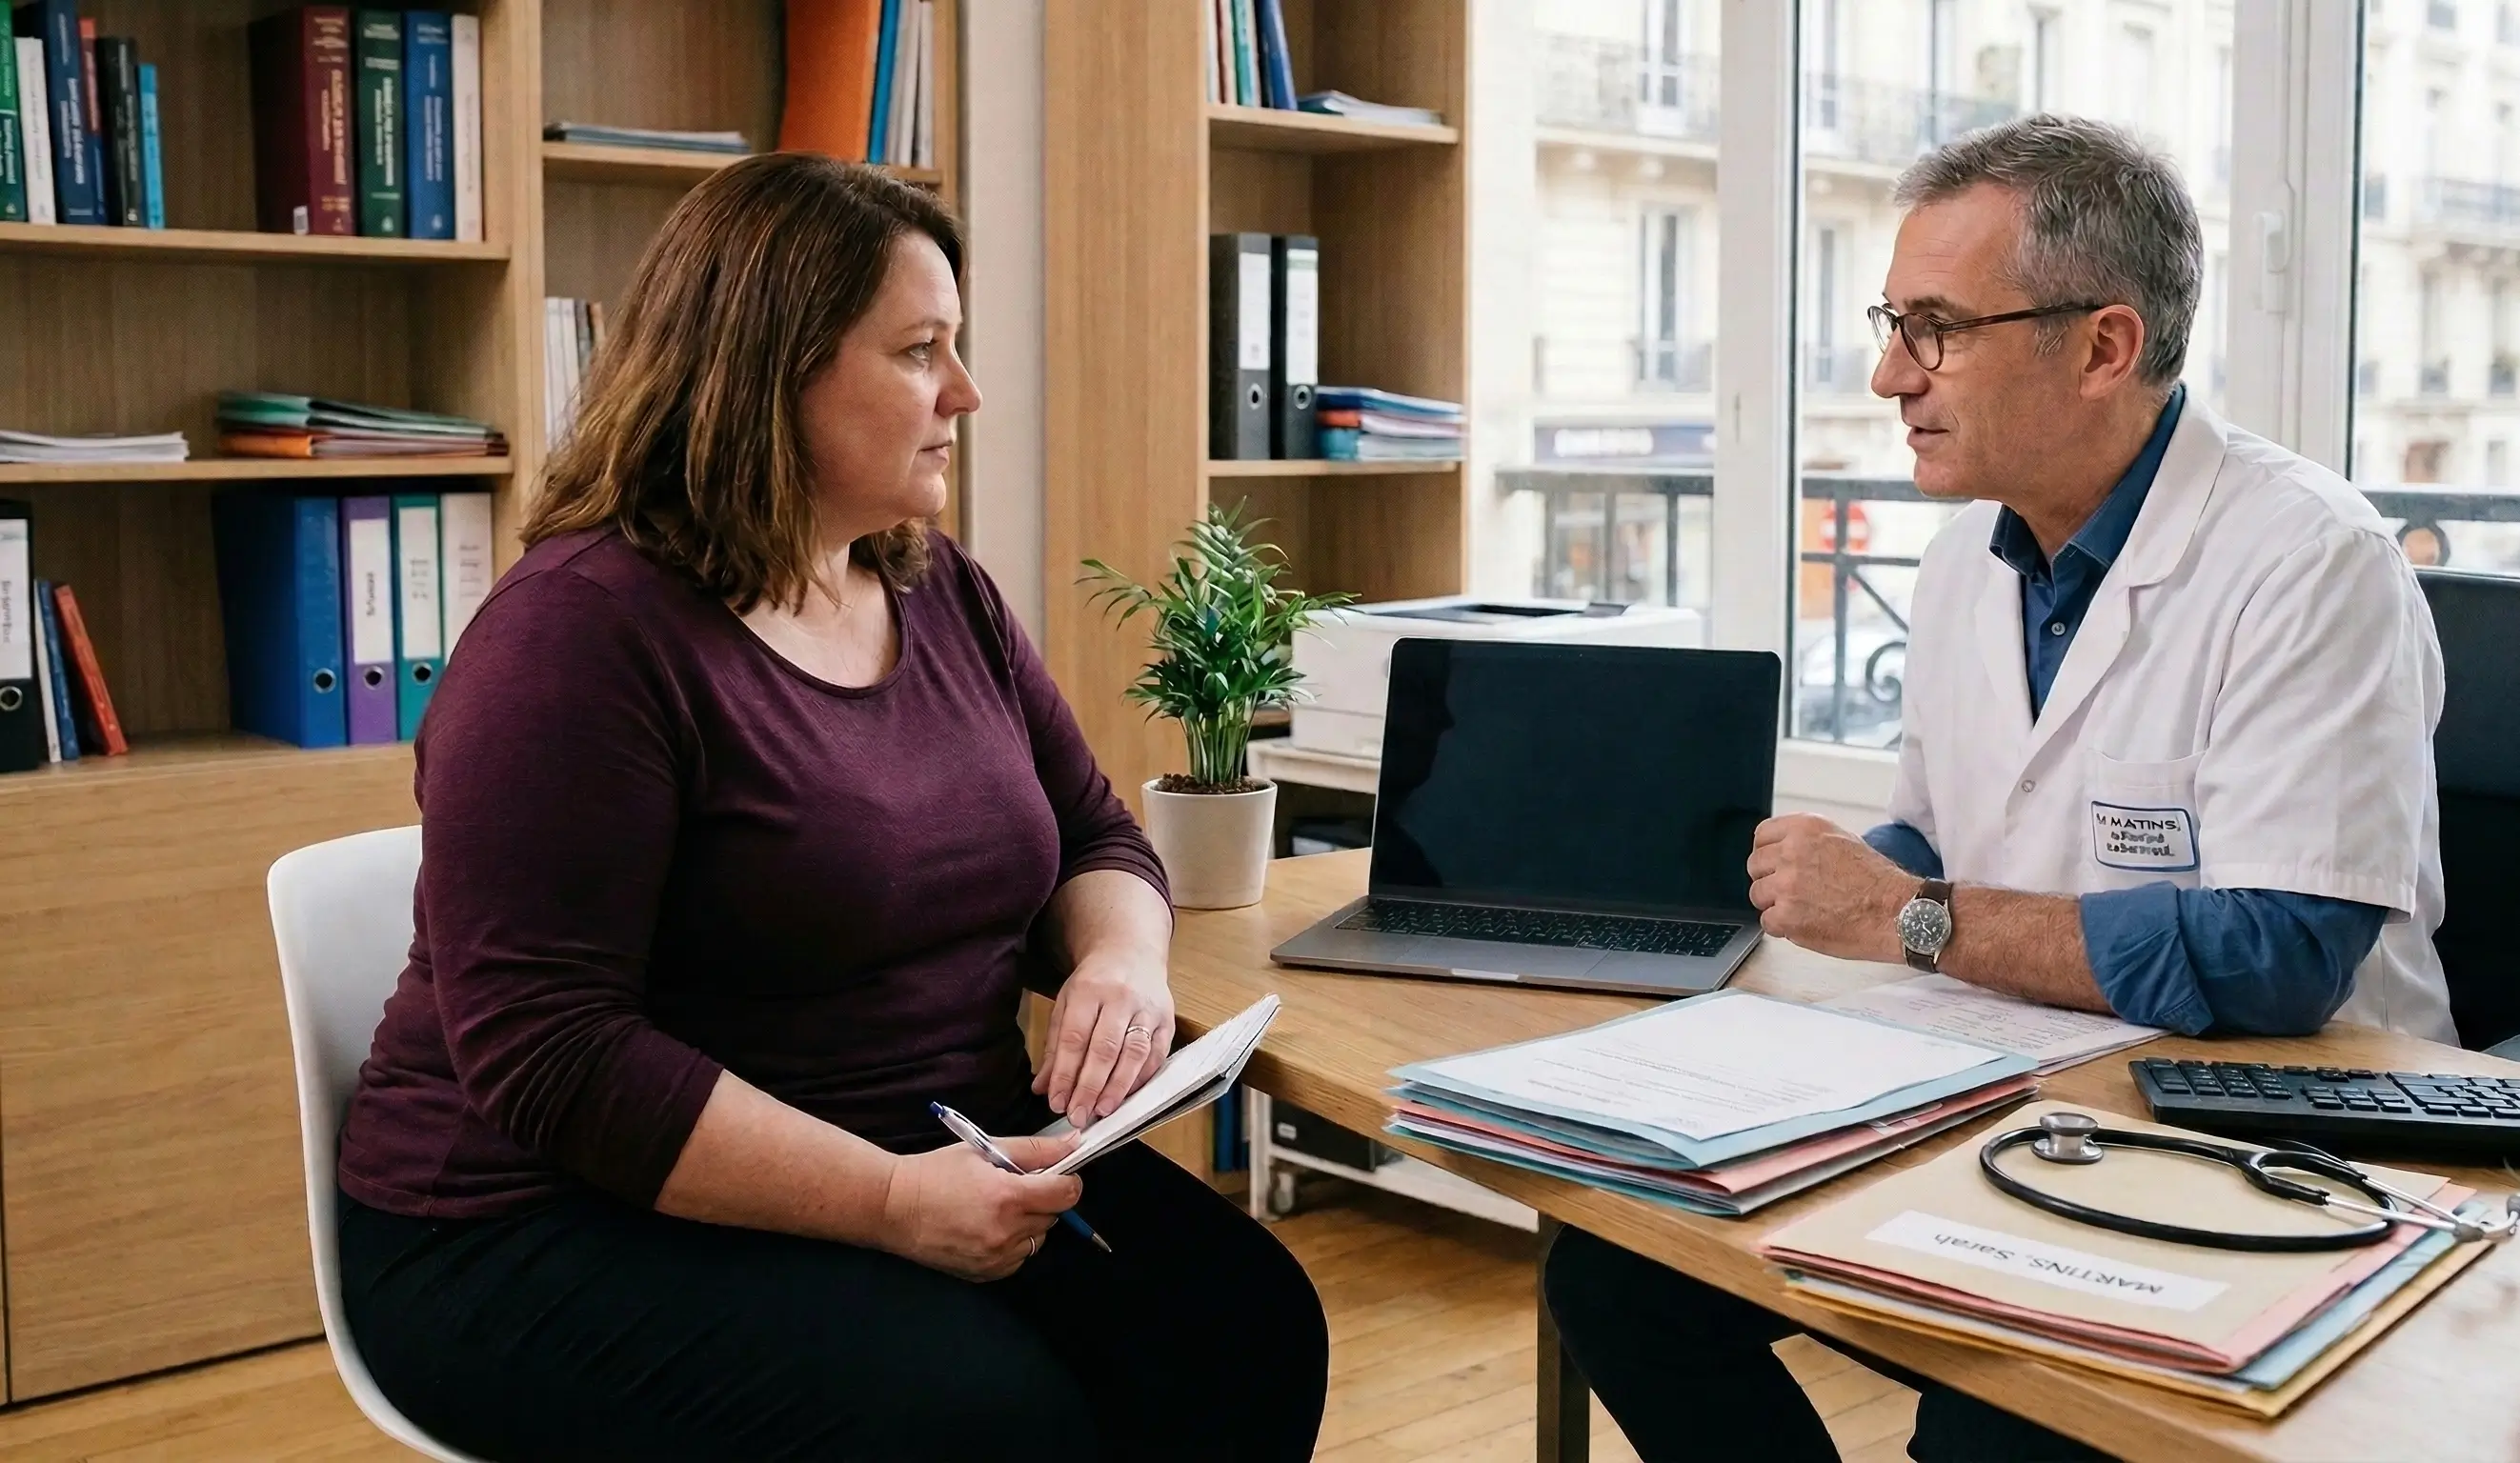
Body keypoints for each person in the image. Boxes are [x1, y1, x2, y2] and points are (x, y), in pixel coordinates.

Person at [332, 154, 1328, 1463]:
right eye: (921, 352)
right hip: (539, 1218)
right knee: (981, 1425)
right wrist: (894, 1208)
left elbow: (1092, 834)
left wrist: (1123, 961)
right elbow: (552, 1058)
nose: (964, 395)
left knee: (1246, 1327)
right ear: (765, 375)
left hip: (929, 1148)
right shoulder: (578, 641)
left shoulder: (938, 590)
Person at [1545, 114, 2448, 1461]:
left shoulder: (2309, 562)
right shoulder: (1970, 556)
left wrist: (1908, 916)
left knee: (1991, 1429)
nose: (1887, 373)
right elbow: (1945, 829)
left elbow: (2280, 956)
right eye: (1892, 321)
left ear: (2104, 346)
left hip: (2270, 1144)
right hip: (2022, 1098)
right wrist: (1788, 894)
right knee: (1620, 1275)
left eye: (1937, 327)